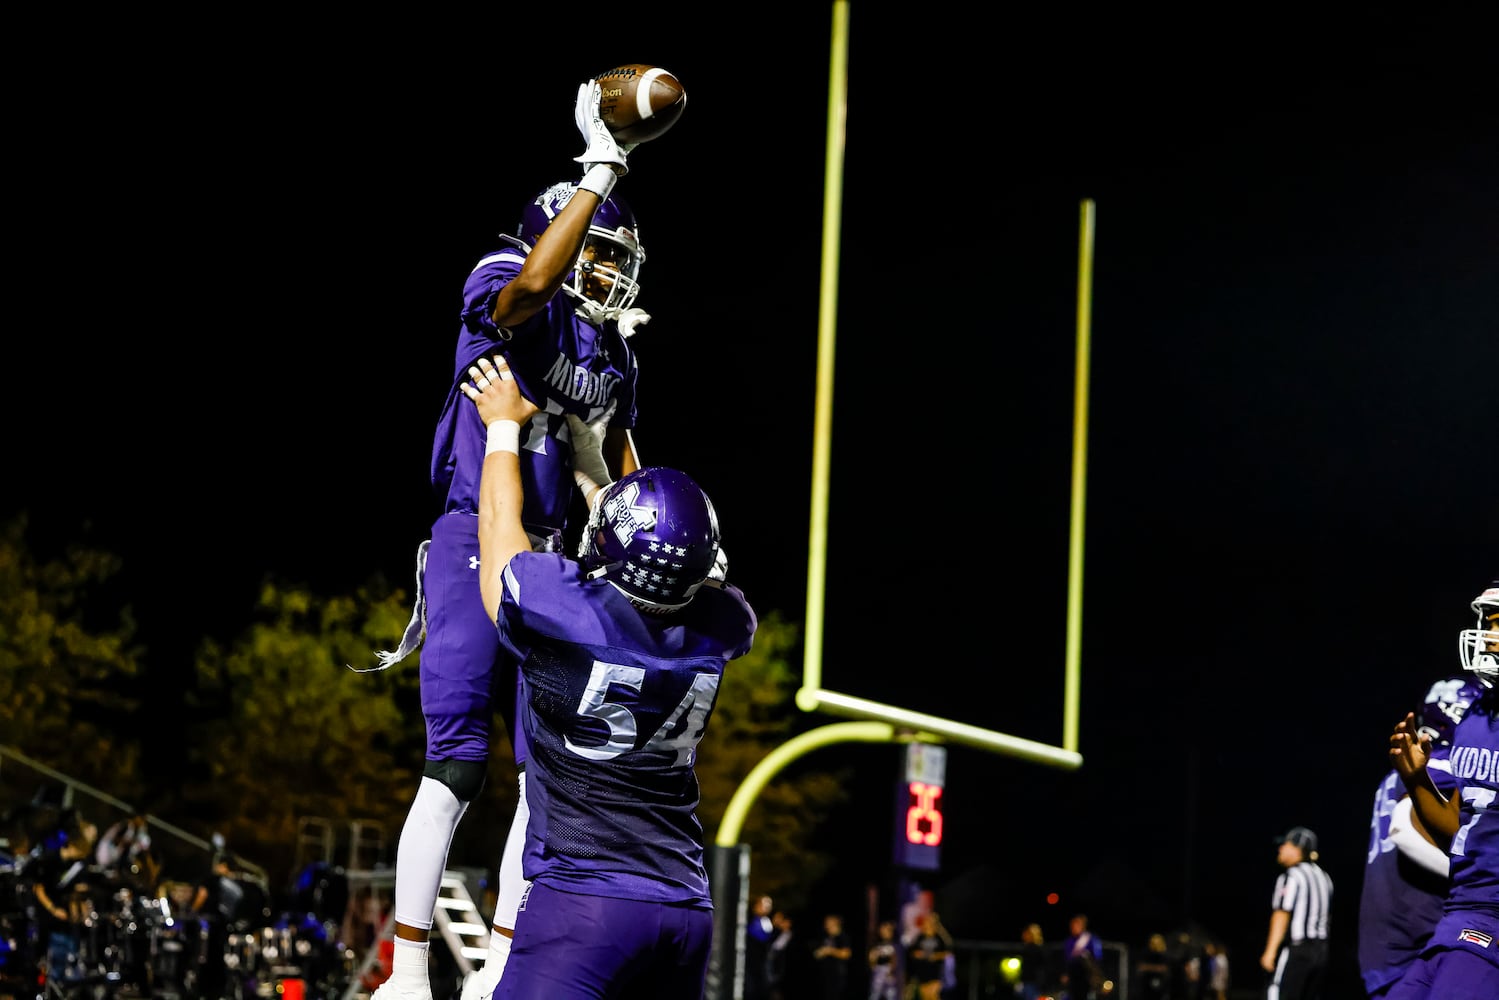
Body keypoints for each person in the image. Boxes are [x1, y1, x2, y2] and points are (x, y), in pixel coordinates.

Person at [363, 74, 659, 1000]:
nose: (608, 271)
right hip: (468, 541)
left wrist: (649, 522)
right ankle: (408, 972)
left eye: (616, 257)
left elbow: (620, 463)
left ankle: (497, 964)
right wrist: (599, 171)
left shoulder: (612, 349)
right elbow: (531, 288)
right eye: (597, 250)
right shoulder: (505, 276)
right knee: (455, 765)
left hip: (557, 562)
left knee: (546, 779)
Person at [459, 353, 757, 997]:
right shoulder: (725, 626)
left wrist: (503, 429)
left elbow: (498, 533)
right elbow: (660, 560)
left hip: (583, 903)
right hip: (683, 907)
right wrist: (597, 460)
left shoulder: (562, 611)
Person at [1384, 579, 1499, 999]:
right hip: (1459, 912)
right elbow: (1458, 826)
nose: (1487, 634)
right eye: (1488, 622)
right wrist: (1416, 780)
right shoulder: (1476, 717)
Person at [1358, 674, 1482, 997]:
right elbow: (1404, 828)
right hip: (1418, 937)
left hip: (1384, 940)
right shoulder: (1441, 765)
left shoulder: (1394, 775)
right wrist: (1474, 877)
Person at [1258, 826, 1332, 1000]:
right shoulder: (1324, 877)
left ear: (1297, 849)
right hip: (1321, 951)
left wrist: (1270, 951)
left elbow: (1281, 914)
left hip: (1298, 949)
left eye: (1285, 844)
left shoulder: (1292, 876)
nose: (1281, 848)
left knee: (1277, 993)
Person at [906, 911, 953, 1000]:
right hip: (922, 973)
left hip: (935, 973)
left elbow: (948, 952)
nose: (927, 923)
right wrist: (919, 955)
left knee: (933, 996)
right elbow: (913, 952)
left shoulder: (939, 938)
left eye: (930, 921)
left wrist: (935, 956)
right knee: (925, 997)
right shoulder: (920, 937)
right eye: (926, 921)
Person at [1061, 913, 1103, 1000]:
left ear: (1083, 925)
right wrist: (1066, 973)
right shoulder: (1069, 941)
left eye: (1076, 924)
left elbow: (1097, 958)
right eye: (1072, 925)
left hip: (1086, 977)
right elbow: (1067, 959)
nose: (1073, 927)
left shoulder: (1091, 939)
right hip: (1073, 977)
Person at [813, 913, 852, 1000]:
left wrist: (830, 951)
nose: (826, 924)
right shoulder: (825, 936)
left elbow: (846, 954)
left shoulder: (842, 937)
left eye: (828, 922)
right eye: (825, 922)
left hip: (838, 975)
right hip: (825, 975)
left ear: (835, 923)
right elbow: (818, 953)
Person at [747, 894, 778, 1000]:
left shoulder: (767, 921)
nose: (767, 906)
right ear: (755, 906)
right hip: (752, 965)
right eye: (764, 903)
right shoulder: (750, 919)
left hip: (765, 965)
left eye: (769, 904)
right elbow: (761, 937)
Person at [867, 919, 899, 1000]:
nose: (884, 932)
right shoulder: (876, 945)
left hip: (889, 972)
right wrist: (873, 964)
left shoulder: (895, 945)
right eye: (882, 930)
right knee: (875, 994)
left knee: (891, 994)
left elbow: (895, 958)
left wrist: (891, 969)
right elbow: (872, 959)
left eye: (887, 930)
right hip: (878, 972)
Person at [1135, 932, 1170, 1000]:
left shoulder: (1165, 956)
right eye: (1153, 943)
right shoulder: (1145, 954)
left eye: (1158, 943)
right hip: (1146, 989)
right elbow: (1140, 967)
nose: (1155, 945)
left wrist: (1148, 968)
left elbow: (1164, 969)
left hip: (1161, 988)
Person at [1016, 922, 1047, 1000]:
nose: (1023, 935)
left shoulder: (1034, 949)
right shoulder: (1034, 948)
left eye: (1026, 933)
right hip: (1031, 983)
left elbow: (1036, 968)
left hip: (1033, 983)